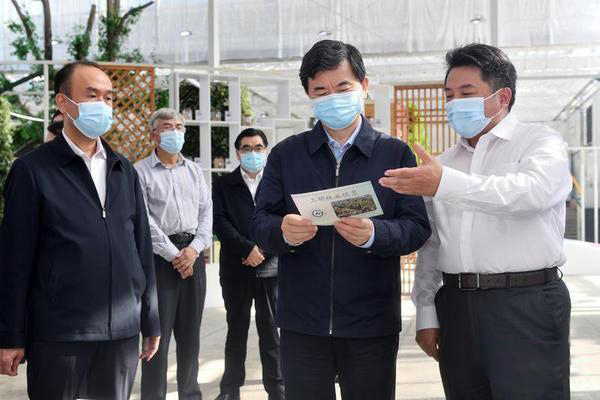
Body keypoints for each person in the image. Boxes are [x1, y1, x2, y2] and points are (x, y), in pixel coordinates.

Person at [379, 43, 572, 399]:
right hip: (457, 305)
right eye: (449, 95)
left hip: (526, 301)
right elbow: (433, 243)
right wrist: (426, 311)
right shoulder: (444, 164)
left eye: (467, 93)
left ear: (503, 97)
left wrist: (446, 184)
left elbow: (531, 193)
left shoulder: (539, 142)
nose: (455, 103)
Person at [250, 40, 431, 400]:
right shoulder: (287, 155)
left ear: (364, 86)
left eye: (342, 87)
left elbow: (416, 228)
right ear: (309, 94)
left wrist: (375, 234)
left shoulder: (393, 154)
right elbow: (259, 222)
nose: (332, 98)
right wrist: (283, 232)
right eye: (321, 91)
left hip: (371, 322)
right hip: (303, 323)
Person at [0, 61, 161, 400]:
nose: (103, 104)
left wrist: (150, 318)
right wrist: (10, 335)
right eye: (91, 95)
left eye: (108, 97)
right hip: (59, 333)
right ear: (63, 103)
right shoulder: (32, 171)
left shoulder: (124, 170)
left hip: (121, 332)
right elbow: (14, 261)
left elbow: (141, 248)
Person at [136, 108, 212, 400]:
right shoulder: (140, 171)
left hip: (193, 256)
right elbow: (143, 220)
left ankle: (190, 394)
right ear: (154, 135)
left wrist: (193, 251)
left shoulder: (194, 171)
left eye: (180, 126)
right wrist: (174, 255)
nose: (176, 132)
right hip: (159, 260)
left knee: (191, 336)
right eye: (168, 127)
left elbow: (206, 213)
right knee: (158, 336)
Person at [213, 128, 284, 400]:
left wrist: (262, 250)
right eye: (246, 148)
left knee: (271, 332)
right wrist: (247, 248)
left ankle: (278, 390)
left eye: (257, 147)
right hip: (236, 269)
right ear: (237, 153)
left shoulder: (278, 183)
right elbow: (220, 223)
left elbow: (283, 221)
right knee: (236, 331)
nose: (252, 153)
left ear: (266, 150)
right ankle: (230, 390)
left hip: (271, 268)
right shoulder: (224, 184)